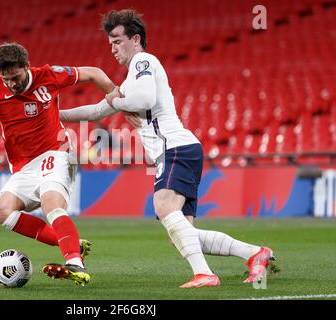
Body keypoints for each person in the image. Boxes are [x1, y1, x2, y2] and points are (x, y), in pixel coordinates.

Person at [59, 9, 277, 288]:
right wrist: (56, 113)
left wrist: (118, 102)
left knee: (163, 206)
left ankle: (205, 275)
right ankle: (255, 254)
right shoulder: (132, 78)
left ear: (135, 39)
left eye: (116, 40)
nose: (112, 48)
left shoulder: (143, 60)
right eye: (110, 43)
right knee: (181, 233)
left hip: (174, 147)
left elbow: (143, 98)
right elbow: (97, 109)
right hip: (180, 149)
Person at [0, 42, 116, 286]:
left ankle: (75, 262)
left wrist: (116, 96)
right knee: (1, 211)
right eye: (6, 79)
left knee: (50, 201)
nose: (11, 84)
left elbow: (94, 72)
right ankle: (73, 244)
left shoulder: (49, 76)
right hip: (24, 166)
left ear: (27, 67)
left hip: (56, 152)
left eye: (16, 77)